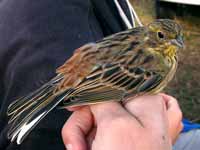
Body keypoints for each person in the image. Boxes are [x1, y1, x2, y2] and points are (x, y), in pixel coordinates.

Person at [0, 0, 199, 150]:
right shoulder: (157, 65)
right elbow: (113, 86)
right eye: (163, 37)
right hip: (94, 83)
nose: (175, 43)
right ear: (151, 35)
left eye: (178, 39)